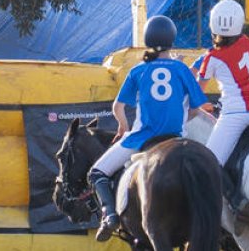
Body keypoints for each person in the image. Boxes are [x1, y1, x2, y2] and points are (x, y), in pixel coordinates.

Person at [88, 15, 210, 242]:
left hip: (142, 138)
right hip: (176, 136)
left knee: (97, 173)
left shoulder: (137, 70)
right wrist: (181, 120)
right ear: (172, 41)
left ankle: (110, 216)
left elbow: (118, 107)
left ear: (147, 41)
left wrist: (123, 127)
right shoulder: (182, 70)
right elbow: (195, 109)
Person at [196, 0, 249, 220]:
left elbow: (196, 95)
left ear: (214, 26)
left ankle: (235, 201)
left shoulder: (212, 56)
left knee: (209, 164)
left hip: (235, 115)